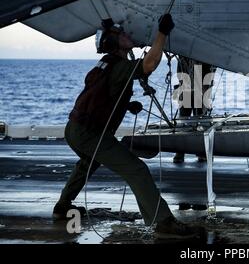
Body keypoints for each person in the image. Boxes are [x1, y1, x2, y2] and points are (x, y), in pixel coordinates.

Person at [52, 14, 200, 239]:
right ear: (113, 42)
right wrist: (162, 32)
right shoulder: (120, 66)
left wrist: (126, 104)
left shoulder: (105, 64)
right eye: (121, 34)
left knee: (87, 164)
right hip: (91, 134)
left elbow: (101, 95)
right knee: (137, 169)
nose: (127, 35)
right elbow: (149, 64)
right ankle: (163, 222)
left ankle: (63, 207)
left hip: (74, 129)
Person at [172, 56, 216, 163]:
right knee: (186, 121)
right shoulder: (186, 54)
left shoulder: (194, 53)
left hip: (199, 88)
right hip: (188, 88)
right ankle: (182, 151)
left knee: (199, 121)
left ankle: (198, 152)